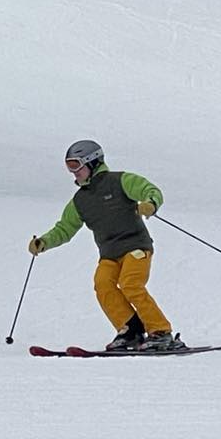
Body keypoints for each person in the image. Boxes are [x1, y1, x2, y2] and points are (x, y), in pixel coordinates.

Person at [27, 139, 182, 351]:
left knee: (130, 283)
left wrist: (150, 204)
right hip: (109, 253)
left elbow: (150, 190)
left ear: (93, 162)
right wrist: (44, 242)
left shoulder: (120, 181)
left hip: (136, 246)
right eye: (69, 166)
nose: (73, 172)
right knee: (103, 284)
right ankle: (130, 330)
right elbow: (65, 228)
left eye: (76, 165)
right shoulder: (80, 201)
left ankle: (161, 332)